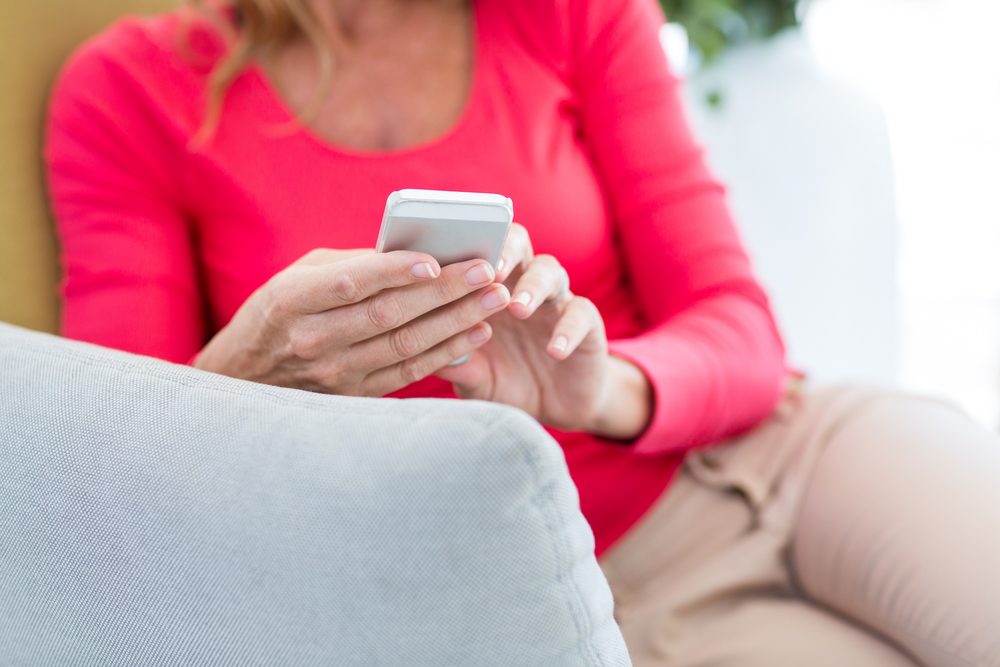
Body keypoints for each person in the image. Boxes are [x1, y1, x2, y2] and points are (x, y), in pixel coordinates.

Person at [45, 0, 1000, 664]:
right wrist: (246, 374)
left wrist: (599, 387)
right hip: (592, 584)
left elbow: (742, 330)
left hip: (795, 449)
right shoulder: (130, 93)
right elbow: (113, 494)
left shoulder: (565, 12)